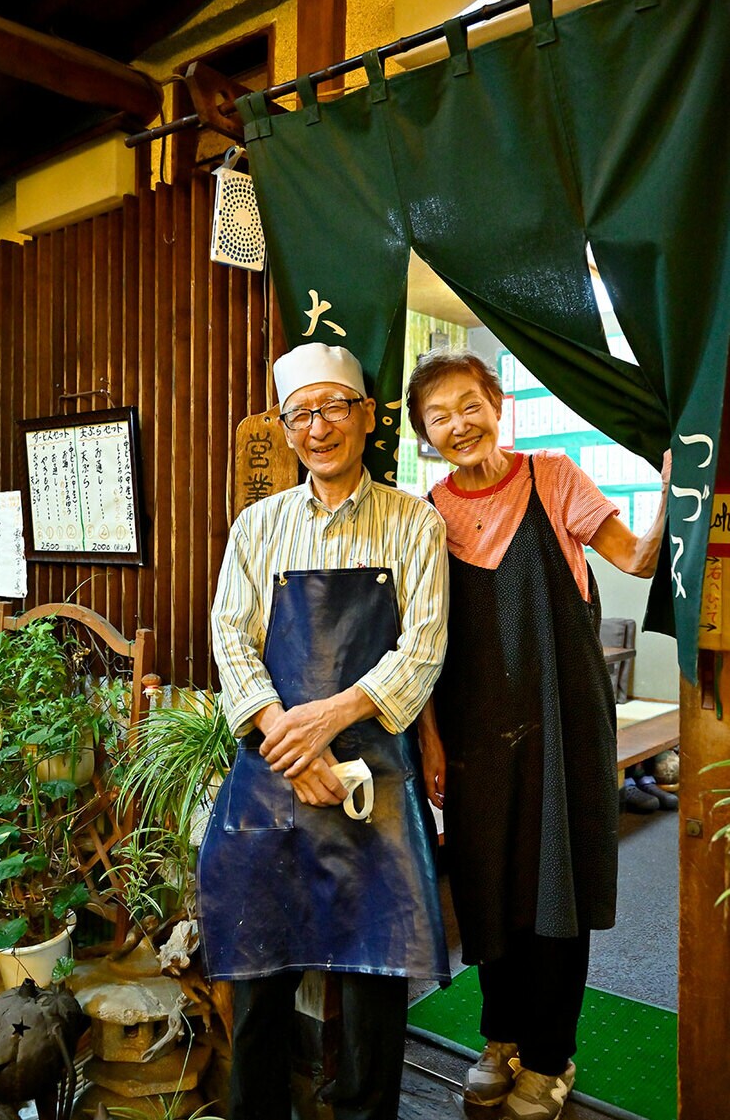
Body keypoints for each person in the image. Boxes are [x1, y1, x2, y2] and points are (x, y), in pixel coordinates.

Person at [405, 349, 671, 1120]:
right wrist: (429, 740)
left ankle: (550, 1058)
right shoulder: (427, 513)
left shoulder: (552, 477)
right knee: (487, 887)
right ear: (425, 432)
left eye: (468, 404)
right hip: (471, 732)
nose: (457, 424)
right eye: (437, 416)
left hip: (561, 724)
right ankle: (500, 1040)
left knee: (553, 888)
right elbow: (420, 642)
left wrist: (667, 489)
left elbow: (635, 556)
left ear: (497, 403)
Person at [198, 342, 450, 1120]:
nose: (317, 426)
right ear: (286, 426)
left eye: (332, 406)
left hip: (372, 782)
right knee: (259, 972)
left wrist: (330, 721)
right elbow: (229, 635)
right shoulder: (257, 525)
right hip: (272, 777)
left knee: (375, 980)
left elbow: (423, 644)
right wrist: (285, 735)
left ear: (365, 417)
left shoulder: (414, 522)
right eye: (300, 412)